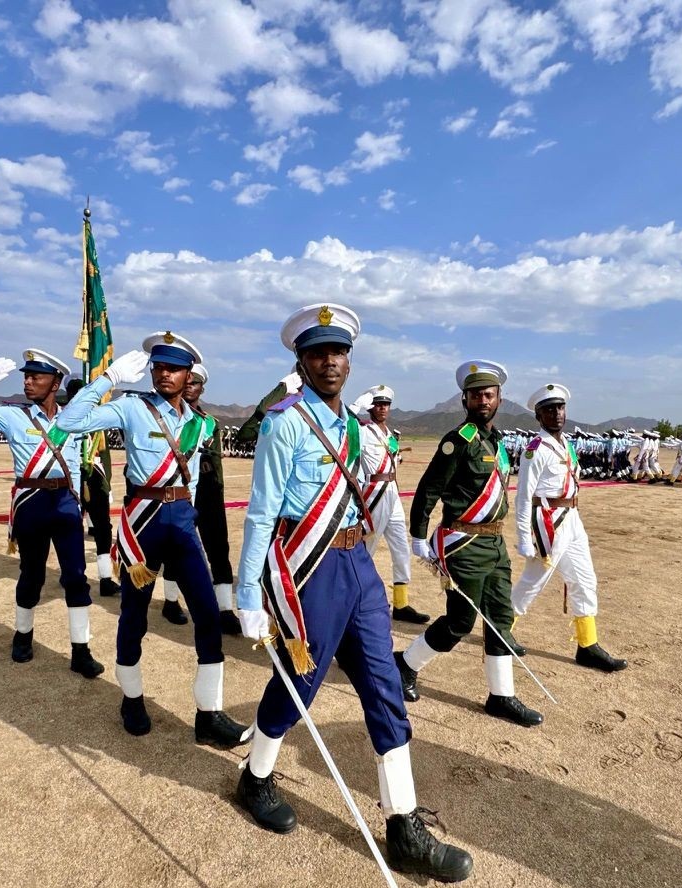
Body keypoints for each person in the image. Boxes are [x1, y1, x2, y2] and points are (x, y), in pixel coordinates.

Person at [234, 304, 473, 882]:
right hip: (310, 569)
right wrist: (247, 594)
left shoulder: (350, 427)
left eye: (338, 352)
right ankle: (256, 777)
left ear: (349, 358)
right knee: (300, 684)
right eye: (317, 352)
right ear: (301, 359)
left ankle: (404, 826)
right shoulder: (284, 421)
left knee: (385, 685)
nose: (330, 361)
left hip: (359, 564)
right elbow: (262, 512)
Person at [56, 333, 247, 748]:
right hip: (143, 527)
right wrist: (107, 379)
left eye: (173, 368)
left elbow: (194, 478)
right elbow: (67, 422)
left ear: (188, 375)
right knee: (135, 617)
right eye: (158, 366)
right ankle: (131, 700)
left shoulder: (202, 423)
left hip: (181, 524)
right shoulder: (131, 408)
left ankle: (208, 714)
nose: (163, 373)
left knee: (210, 618)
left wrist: (190, 511)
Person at [394, 360, 543, 728]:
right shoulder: (456, 442)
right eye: (475, 395)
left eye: (488, 395)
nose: (482, 400)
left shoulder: (498, 442)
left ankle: (501, 696)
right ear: (465, 399)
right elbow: (429, 489)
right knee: (460, 622)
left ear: (498, 399)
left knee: (500, 619)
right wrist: (417, 535)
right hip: (464, 544)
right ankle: (405, 665)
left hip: (495, 545)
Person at [0, 350, 105, 679]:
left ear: (56, 382)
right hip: (31, 502)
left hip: (66, 502)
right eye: (25, 376)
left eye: (36, 377)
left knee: (75, 577)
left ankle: (81, 650)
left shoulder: (74, 418)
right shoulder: (11, 415)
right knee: (32, 574)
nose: (27, 382)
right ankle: (22, 636)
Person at [510, 385, 626, 672]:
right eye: (549, 409)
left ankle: (587, 645)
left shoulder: (565, 444)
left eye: (560, 408)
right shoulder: (535, 449)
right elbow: (524, 495)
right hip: (549, 521)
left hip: (572, 518)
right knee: (533, 582)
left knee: (585, 579)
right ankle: (500, 631)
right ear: (538, 416)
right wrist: (524, 536)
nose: (556, 414)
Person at [350, 384, 430, 624]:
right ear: (370, 407)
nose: (382, 408)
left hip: (392, 491)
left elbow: (395, 460)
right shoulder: (362, 430)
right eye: (377, 404)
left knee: (401, 548)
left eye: (386, 404)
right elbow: (341, 424)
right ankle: (356, 600)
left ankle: (401, 603)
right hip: (374, 492)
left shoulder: (389, 434)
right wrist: (356, 405)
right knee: (368, 548)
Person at [181, 363, 240, 635]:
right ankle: (171, 601)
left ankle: (226, 609)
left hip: (209, 492)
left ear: (202, 388)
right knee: (177, 550)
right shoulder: (169, 419)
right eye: (187, 382)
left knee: (218, 548)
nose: (189, 387)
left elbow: (214, 463)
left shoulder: (210, 423)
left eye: (194, 384)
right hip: (179, 491)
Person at [64, 378, 121, 599]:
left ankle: (105, 578)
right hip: (71, 477)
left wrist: (107, 482)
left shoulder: (97, 419)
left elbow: (104, 454)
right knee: (69, 527)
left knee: (103, 528)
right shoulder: (62, 418)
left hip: (95, 478)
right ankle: (71, 573)